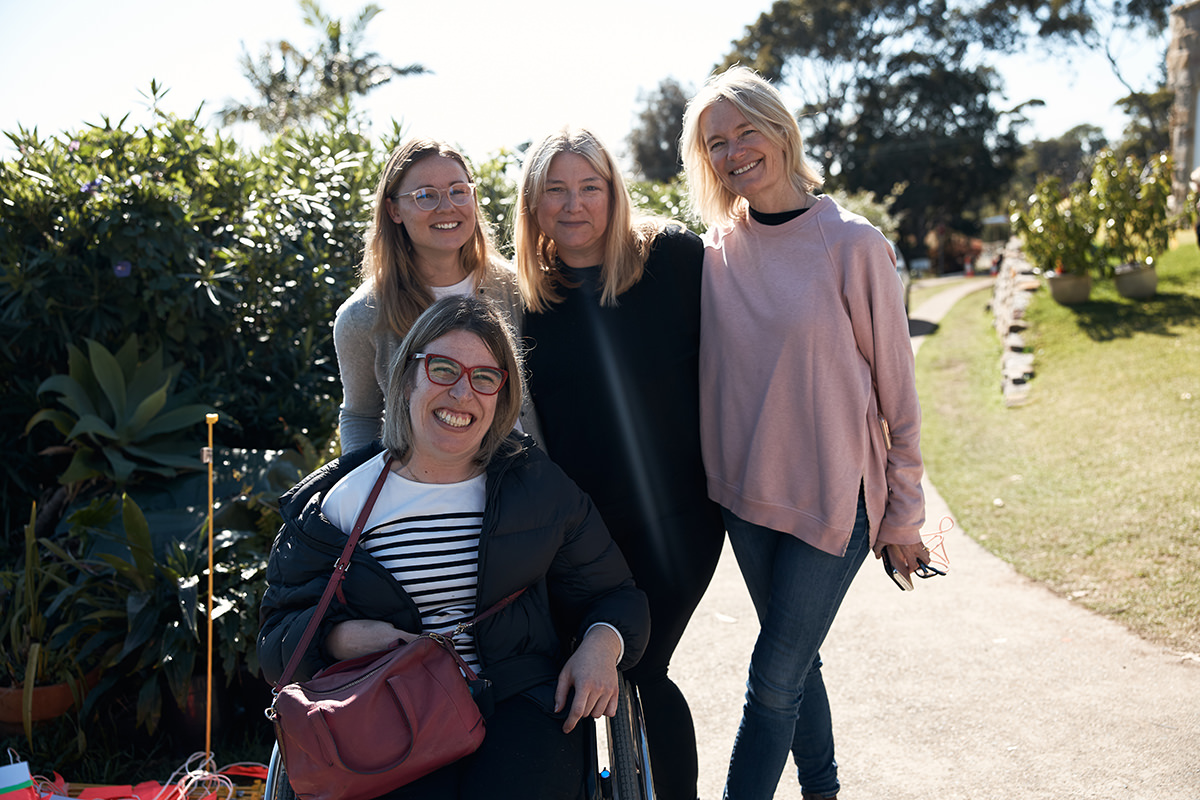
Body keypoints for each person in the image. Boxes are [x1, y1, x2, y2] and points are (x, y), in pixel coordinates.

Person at [260, 295, 650, 799]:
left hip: (516, 697)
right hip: (389, 703)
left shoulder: (538, 489)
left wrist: (602, 645)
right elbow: (276, 641)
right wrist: (338, 639)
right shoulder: (338, 506)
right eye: (444, 369)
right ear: (407, 379)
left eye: (484, 378)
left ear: (500, 398)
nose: (463, 393)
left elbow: (616, 594)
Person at [680, 66, 928, 800]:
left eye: (745, 131)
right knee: (797, 661)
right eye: (716, 142)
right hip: (745, 498)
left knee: (772, 678)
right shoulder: (716, 250)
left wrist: (904, 510)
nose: (733, 152)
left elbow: (899, 396)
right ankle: (823, 789)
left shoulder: (853, 245)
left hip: (835, 502)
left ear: (780, 131)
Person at [514, 125, 726, 800]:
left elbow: (765, 313)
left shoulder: (674, 259)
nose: (574, 205)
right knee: (574, 673)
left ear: (615, 194)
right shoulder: (527, 300)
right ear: (533, 204)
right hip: (578, 535)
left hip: (679, 521)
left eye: (590, 187)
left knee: (638, 667)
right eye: (556, 190)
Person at [334, 137, 530, 455]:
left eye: (458, 191)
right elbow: (360, 416)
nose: (446, 206)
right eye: (426, 195)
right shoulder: (362, 316)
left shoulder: (517, 290)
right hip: (427, 494)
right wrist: (362, 489)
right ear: (394, 209)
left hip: (525, 488)